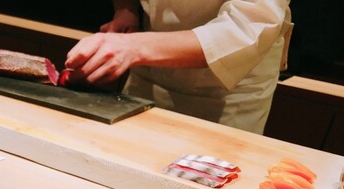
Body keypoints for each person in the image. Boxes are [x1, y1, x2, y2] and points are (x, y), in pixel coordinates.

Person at [65, 0, 292, 134]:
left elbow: (247, 27)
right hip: (147, 67)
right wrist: (126, 9)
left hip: (225, 87)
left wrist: (134, 47)